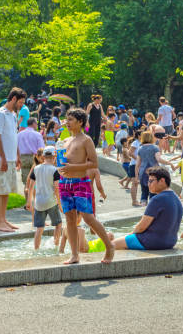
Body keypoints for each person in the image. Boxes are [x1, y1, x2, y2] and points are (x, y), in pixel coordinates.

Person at [58, 108, 114, 264]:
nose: (67, 123)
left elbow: (94, 163)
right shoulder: (66, 140)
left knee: (88, 218)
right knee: (69, 219)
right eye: (67, 119)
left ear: (80, 122)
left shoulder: (86, 140)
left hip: (80, 182)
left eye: (70, 120)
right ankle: (74, 254)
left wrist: (72, 168)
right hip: (65, 183)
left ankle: (109, 247)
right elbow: (65, 163)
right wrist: (61, 167)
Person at [113, 167, 183, 250]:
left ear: (162, 181)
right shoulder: (176, 198)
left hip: (151, 242)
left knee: (111, 245)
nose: (148, 184)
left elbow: (141, 227)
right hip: (170, 242)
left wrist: (129, 235)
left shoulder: (157, 199)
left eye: (151, 181)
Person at [0, 88, 26, 232]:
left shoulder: (13, 115)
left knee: (6, 190)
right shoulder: (0, 114)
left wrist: (17, 155)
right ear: (13, 99)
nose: (21, 105)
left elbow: (14, 136)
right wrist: (3, 158)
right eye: (20, 102)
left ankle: (3, 220)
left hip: (10, 158)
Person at [26, 146, 62, 249]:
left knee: (39, 228)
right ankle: (56, 245)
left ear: (43, 157)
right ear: (54, 157)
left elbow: (30, 186)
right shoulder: (55, 170)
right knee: (58, 224)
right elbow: (56, 188)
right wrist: (60, 204)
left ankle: (36, 249)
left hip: (39, 203)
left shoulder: (36, 169)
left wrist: (29, 202)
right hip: (51, 202)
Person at [136, 131, 173, 205]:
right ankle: (152, 211)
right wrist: (169, 163)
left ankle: (144, 210)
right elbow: (159, 159)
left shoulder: (140, 148)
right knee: (154, 193)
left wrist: (137, 177)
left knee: (144, 192)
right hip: (154, 172)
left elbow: (137, 165)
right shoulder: (155, 147)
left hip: (142, 172)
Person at [17, 118, 45, 199]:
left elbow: (16, 147)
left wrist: (18, 158)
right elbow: (41, 148)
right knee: (36, 180)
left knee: (26, 180)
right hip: (35, 158)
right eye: (36, 123)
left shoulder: (19, 134)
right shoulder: (37, 134)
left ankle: (27, 202)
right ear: (33, 124)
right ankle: (35, 200)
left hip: (23, 157)